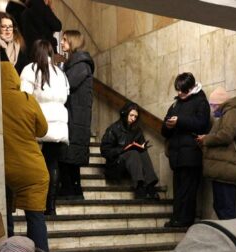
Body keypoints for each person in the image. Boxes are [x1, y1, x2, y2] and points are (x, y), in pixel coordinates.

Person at [1, 61, 51, 252]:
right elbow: (43, 129)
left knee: (5, 219)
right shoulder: (27, 99)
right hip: (32, 170)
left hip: (4, 168)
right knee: (35, 217)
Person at [20, 38, 70, 216]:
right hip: (59, 125)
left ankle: (36, 204)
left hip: (39, 123)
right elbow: (66, 95)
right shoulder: (60, 73)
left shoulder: (31, 69)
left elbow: (24, 98)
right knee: (53, 164)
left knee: (36, 165)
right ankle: (51, 206)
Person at [161, 72, 210, 227]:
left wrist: (180, 121)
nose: (179, 93)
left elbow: (202, 124)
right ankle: (176, 218)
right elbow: (163, 130)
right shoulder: (175, 105)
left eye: (183, 90)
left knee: (188, 191)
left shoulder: (201, 102)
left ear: (191, 87)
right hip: (176, 155)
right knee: (179, 190)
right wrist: (167, 126)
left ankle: (185, 220)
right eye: (178, 89)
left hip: (191, 154)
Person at [197, 86, 236, 220]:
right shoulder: (227, 114)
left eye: (213, 105)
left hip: (228, 169)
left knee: (226, 208)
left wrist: (206, 139)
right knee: (221, 206)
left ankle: (232, 238)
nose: (212, 109)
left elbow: (226, 135)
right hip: (223, 168)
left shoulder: (231, 114)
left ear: (220, 104)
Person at [57, 30, 94, 202]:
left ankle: (71, 191)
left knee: (69, 155)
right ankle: (71, 190)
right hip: (73, 116)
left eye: (64, 40)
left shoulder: (80, 65)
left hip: (75, 118)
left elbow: (67, 85)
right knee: (69, 155)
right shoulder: (74, 63)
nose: (62, 43)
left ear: (73, 42)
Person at [100, 101, 159, 200]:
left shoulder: (137, 130)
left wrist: (142, 146)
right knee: (133, 153)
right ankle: (139, 187)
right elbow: (105, 151)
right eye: (131, 115)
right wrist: (123, 149)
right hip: (116, 165)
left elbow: (141, 147)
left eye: (135, 117)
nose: (133, 119)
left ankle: (150, 185)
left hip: (132, 165)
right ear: (125, 113)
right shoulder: (114, 129)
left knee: (142, 152)